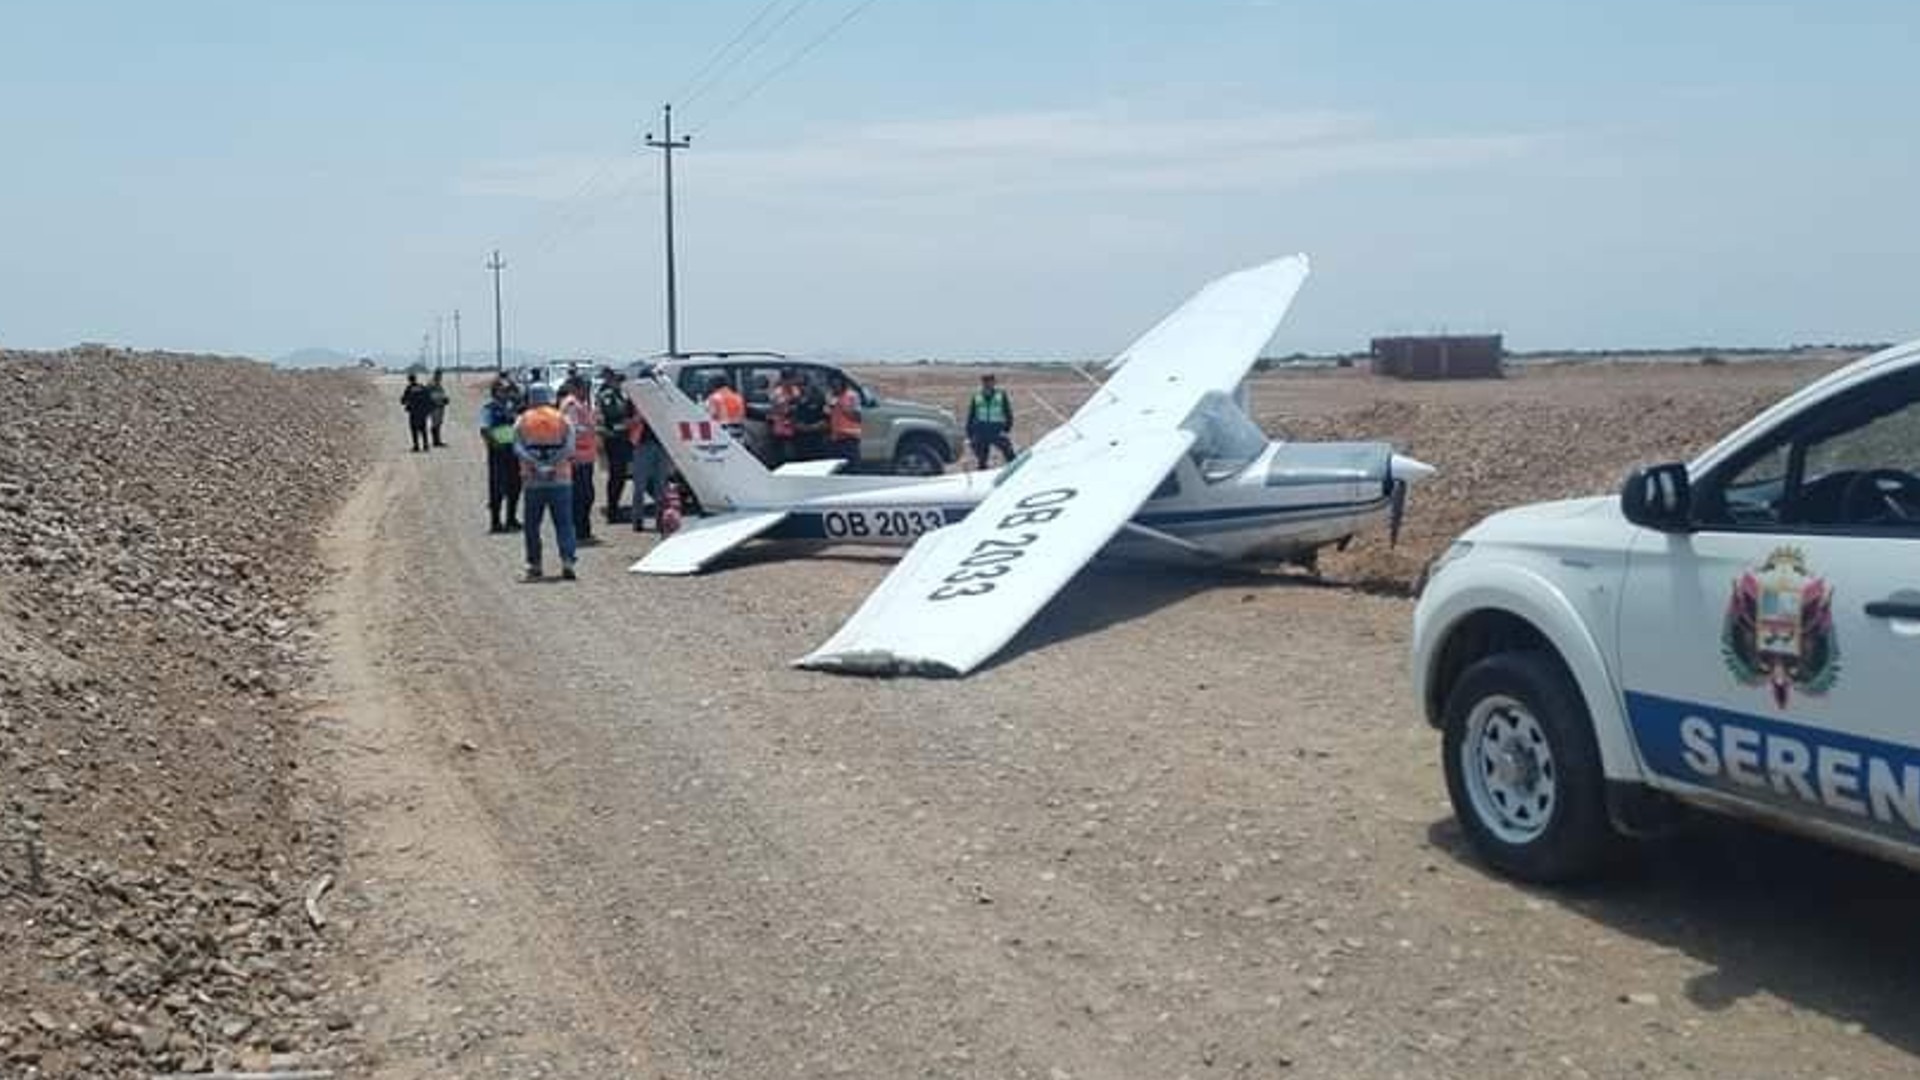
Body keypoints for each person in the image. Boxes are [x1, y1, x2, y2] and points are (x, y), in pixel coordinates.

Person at [513, 383, 577, 581]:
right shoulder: (562, 419)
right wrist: (552, 464)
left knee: (532, 525)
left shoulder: (522, 420)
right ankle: (567, 561)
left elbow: (518, 447)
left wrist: (538, 465)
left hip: (533, 481)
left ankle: (535, 564)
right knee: (564, 523)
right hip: (560, 479)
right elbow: (569, 447)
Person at [479, 376, 523, 533]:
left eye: (506, 390)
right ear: (495, 392)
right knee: (497, 487)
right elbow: (484, 429)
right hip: (498, 452)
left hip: (513, 451)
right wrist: (494, 444)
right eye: (502, 390)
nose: (505, 393)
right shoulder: (489, 408)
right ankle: (496, 522)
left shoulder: (511, 407)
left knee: (515, 485)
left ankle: (511, 519)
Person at [560, 375, 599, 544]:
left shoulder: (581, 404)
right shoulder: (571, 405)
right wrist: (591, 429)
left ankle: (584, 531)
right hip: (576, 459)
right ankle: (579, 532)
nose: (586, 390)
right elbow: (572, 429)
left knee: (586, 496)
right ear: (575, 388)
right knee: (580, 497)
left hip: (586, 458)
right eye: (584, 387)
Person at [595, 368, 636, 522]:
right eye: (618, 382)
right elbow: (608, 417)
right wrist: (625, 423)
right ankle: (612, 510)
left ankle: (615, 507)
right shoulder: (607, 397)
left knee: (621, 476)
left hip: (624, 440)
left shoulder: (623, 396)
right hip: (613, 440)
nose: (620, 384)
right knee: (616, 476)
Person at [630, 409, 672, 534]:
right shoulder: (635, 402)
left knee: (661, 486)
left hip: (662, 445)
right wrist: (638, 418)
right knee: (639, 486)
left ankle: (660, 520)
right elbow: (627, 422)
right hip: (642, 445)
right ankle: (637, 520)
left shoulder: (663, 400)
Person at [965, 372, 1017, 469]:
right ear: (982, 383)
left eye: (989, 381)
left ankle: (1015, 470)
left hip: (997, 429)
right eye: (985, 381)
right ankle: (982, 472)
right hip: (981, 429)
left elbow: (1008, 412)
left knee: (1009, 453)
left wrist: (1007, 429)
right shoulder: (977, 396)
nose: (987, 384)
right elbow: (971, 415)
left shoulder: (1001, 395)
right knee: (981, 458)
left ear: (993, 382)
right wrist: (969, 432)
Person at [766, 367, 804, 465]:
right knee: (782, 450)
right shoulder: (777, 392)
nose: (789, 382)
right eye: (787, 379)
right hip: (780, 425)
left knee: (794, 451)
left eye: (791, 379)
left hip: (794, 425)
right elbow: (776, 407)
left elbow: (799, 405)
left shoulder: (796, 391)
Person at [826, 372, 863, 466]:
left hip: (850, 438)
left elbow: (858, 417)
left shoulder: (852, 396)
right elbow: (828, 414)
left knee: (852, 466)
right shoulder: (831, 396)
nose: (835, 386)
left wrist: (844, 408)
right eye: (832, 384)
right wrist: (829, 407)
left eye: (837, 383)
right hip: (836, 438)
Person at [705, 374, 747, 441]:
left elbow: (709, 416)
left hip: (722, 432)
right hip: (739, 432)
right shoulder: (737, 397)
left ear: (713, 385)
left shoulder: (713, 398)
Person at [400, 373, 435, 452]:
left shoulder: (409, 388)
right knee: (423, 429)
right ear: (416, 379)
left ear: (409, 380)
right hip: (422, 412)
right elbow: (428, 397)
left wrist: (405, 402)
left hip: (413, 412)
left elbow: (403, 400)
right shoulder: (422, 387)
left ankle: (416, 446)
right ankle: (425, 445)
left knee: (414, 429)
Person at [427, 369, 451, 447]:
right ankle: (435, 441)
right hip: (434, 406)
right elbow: (429, 395)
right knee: (435, 423)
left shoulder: (439, 384)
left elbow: (441, 394)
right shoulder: (431, 384)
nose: (440, 377)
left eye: (441, 375)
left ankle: (437, 440)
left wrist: (445, 399)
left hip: (440, 405)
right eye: (439, 375)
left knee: (439, 423)